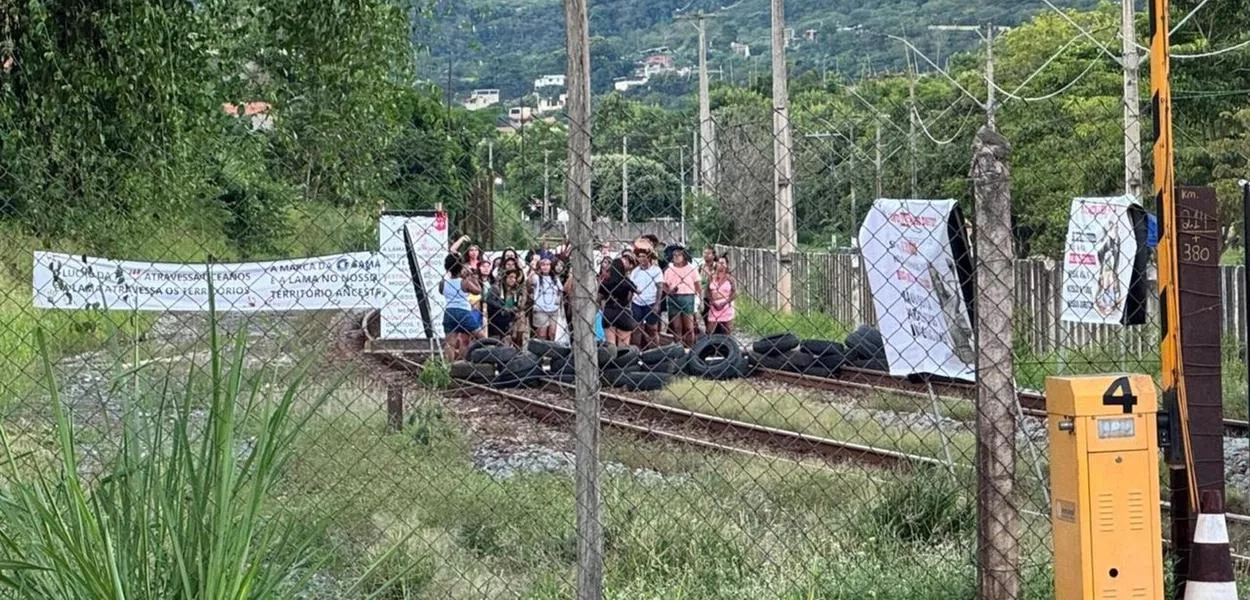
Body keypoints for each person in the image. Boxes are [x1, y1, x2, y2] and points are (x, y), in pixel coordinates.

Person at [440, 254, 482, 361]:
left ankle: (448, 368)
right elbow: (478, 291)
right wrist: (473, 277)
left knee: (450, 343)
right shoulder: (464, 282)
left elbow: (441, 292)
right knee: (480, 336)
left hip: (449, 312)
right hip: (463, 312)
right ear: (461, 266)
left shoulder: (443, 283)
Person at [663, 248, 700, 346]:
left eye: (679, 255)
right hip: (673, 298)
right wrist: (669, 291)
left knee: (689, 327)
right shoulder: (669, 270)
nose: (676, 257)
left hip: (688, 297)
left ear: (684, 257)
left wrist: (699, 298)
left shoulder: (691, 268)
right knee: (676, 327)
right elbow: (664, 284)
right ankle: (678, 348)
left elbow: (697, 285)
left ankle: (690, 346)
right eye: (674, 255)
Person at [599, 255, 638, 347]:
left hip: (609, 311)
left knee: (610, 345)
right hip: (623, 311)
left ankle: (611, 357)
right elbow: (638, 291)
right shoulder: (626, 282)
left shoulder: (605, 283)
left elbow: (598, 298)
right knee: (623, 346)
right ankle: (623, 358)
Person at [629, 248, 664, 349]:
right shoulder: (635, 272)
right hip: (637, 303)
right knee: (636, 328)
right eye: (639, 257)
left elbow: (660, 287)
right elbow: (631, 288)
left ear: (648, 257)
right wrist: (629, 302)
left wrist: (657, 304)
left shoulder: (656, 270)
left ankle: (655, 350)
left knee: (652, 328)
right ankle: (636, 351)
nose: (641, 259)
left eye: (643, 256)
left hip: (651, 302)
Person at [528, 257, 566, 341]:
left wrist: (558, 299)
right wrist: (532, 267)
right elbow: (529, 282)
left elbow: (561, 290)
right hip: (540, 309)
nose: (545, 267)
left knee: (553, 333)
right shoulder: (536, 278)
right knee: (542, 334)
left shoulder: (555, 278)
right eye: (543, 265)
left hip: (554, 310)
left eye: (548, 265)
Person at [486, 268, 525, 347]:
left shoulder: (515, 291)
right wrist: (503, 307)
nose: (513, 280)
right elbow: (489, 300)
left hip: (509, 318)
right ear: (505, 278)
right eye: (511, 277)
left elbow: (517, 305)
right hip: (496, 318)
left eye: (515, 278)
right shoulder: (496, 288)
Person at [706, 255, 736, 335]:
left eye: (723, 263)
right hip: (714, 305)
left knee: (727, 331)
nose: (721, 265)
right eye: (719, 263)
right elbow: (708, 291)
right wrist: (712, 301)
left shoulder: (730, 278)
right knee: (709, 331)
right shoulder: (711, 277)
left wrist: (725, 303)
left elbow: (734, 293)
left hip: (726, 306)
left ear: (726, 264)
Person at [700, 246, 718, 331]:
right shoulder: (701, 267)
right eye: (704, 253)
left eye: (708, 253)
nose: (706, 255)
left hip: (715, 297)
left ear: (713, 256)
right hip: (704, 296)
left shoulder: (717, 266)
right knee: (706, 317)